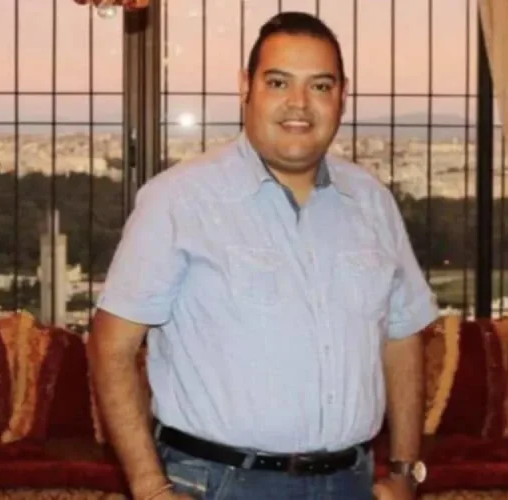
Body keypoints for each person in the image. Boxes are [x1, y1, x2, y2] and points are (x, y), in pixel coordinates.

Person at [87, 11, 438, 500]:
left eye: (320, 85)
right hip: (221, 483)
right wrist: (149, 487)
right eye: (278, 82)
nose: (299, 103)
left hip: (351, 482)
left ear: (342, 95)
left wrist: (404, 472)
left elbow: (402, 335)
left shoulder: (372, 202)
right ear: (245, 87)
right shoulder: (179, 200)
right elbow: (111, 346)